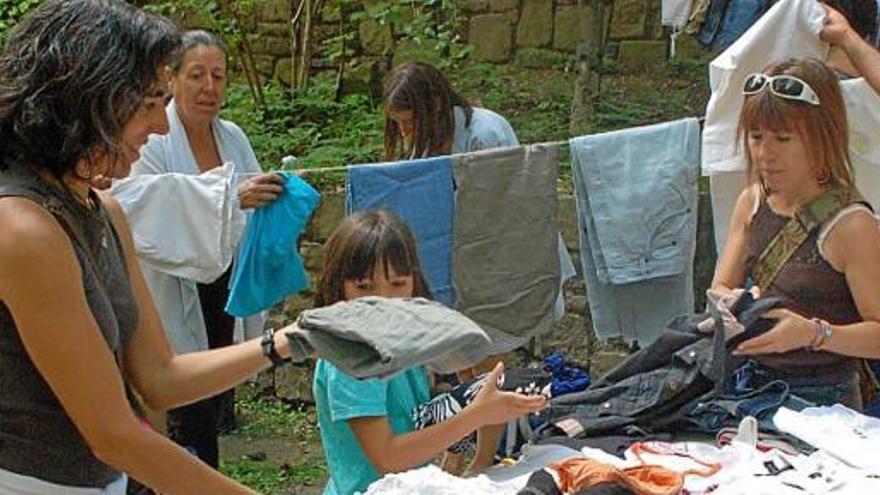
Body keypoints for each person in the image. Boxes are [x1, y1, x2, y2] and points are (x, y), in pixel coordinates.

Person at [0, 1, 296, 493]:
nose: (162, 126)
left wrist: (291, 340)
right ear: (88, 98)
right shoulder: (23, 228)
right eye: (149, 103)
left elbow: (159, 377)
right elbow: (114, 435)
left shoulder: (104, 211)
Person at [124, 29, 285, 469]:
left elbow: (253, 208)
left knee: (215, 396)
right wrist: (229, 197)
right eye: (196, 75)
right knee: (182, 410)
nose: (208, 87)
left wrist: (276, 201)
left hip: (226, 292)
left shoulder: (232, 137)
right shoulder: (151, 141)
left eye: (218, 75)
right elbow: (139, 203)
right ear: (171, 79)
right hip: (171, 291)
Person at [311, 210, 547, 495]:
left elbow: (419, 412)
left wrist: (469, 403)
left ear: (414, 281)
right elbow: (388, 457)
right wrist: (475, 415)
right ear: (339, 286)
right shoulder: (349, 360)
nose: (384, 301)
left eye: (397, 284)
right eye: (364, 287)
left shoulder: (403, 338)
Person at [711, 57, 880, 409]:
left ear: (823, 137)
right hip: (747, 386)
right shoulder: (753, 201)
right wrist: (740, 304)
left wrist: (815, 333)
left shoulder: (852, 225)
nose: (764, 154)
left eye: (783, 139)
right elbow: (719, 289)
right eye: (756, 137)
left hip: (823, 402)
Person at [382, 60, 518, 160]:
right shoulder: (425, 140)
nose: (403, 130)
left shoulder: (485, 134)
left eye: (409, 121)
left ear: (436, 105)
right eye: (397, 122)